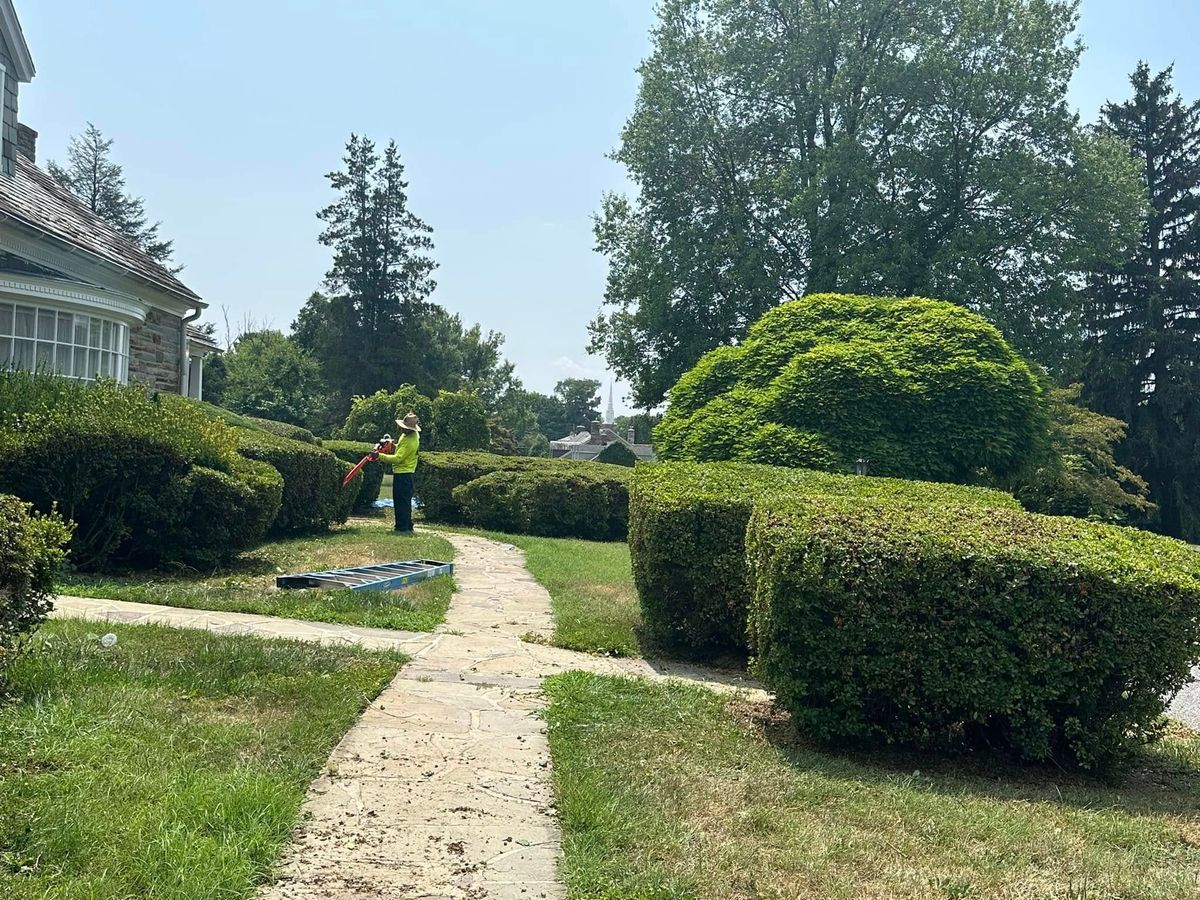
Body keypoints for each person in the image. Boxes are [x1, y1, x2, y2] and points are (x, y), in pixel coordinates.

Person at [376, 412, 420, 533]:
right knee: (404, 500)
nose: (402, 429)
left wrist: (380, 456)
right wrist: (393, 445)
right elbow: (400, 448)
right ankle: (407, 525)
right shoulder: (407, 435)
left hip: (404, 474)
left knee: (401, 502)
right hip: (403, 472)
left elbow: (398, 458)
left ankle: (402, 527)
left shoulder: (411, 442)